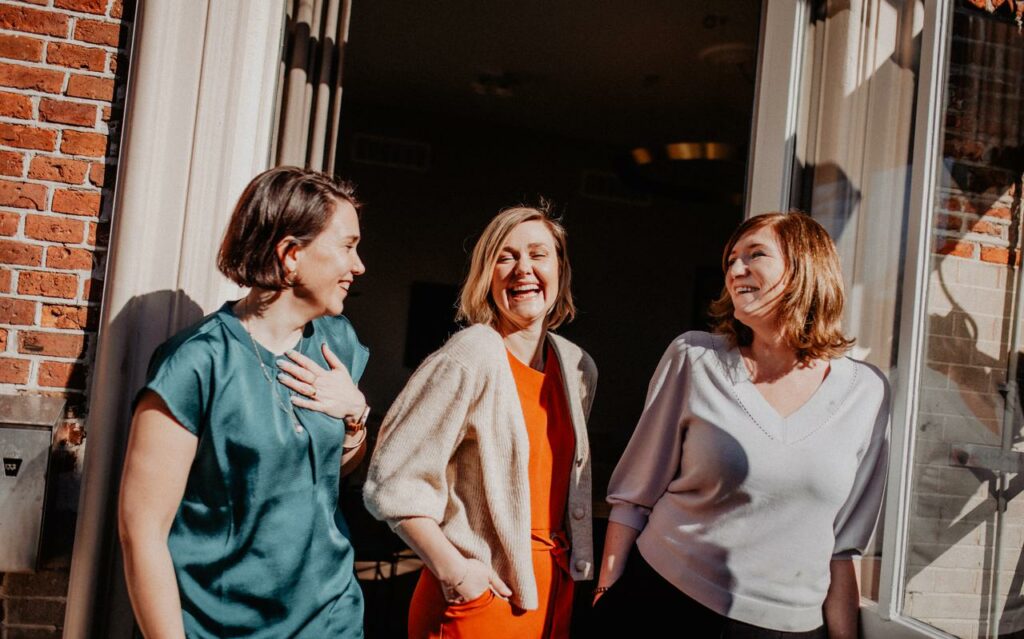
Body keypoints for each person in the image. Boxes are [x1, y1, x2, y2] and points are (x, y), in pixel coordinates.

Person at [594, 212, 890, 639]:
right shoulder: (695, 358)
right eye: (731, 260)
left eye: (755, 255)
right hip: (661, 602)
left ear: (805, 268)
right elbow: (631, 499)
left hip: (789, 627)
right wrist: (606, 593)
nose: (735, 270)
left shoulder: (867, 391)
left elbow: (843, 548)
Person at [118, 167, 372, 638]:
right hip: (221, 625)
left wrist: (355, 419)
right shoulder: (196, 363)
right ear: (291, 255)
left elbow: (330, 471)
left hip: (329, 620)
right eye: (347, 246)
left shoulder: (337, 342)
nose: (358, 266)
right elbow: (142, 530)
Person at [363, 205, 598, 639]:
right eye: (506, 257)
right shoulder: (470, 354)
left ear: (561, 270)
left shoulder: (576, 365)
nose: (523, 269)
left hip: (552, 589)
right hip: (480, 592)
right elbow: (392, 481)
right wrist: (455, 572)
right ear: (486, 276)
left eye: (538, 255)